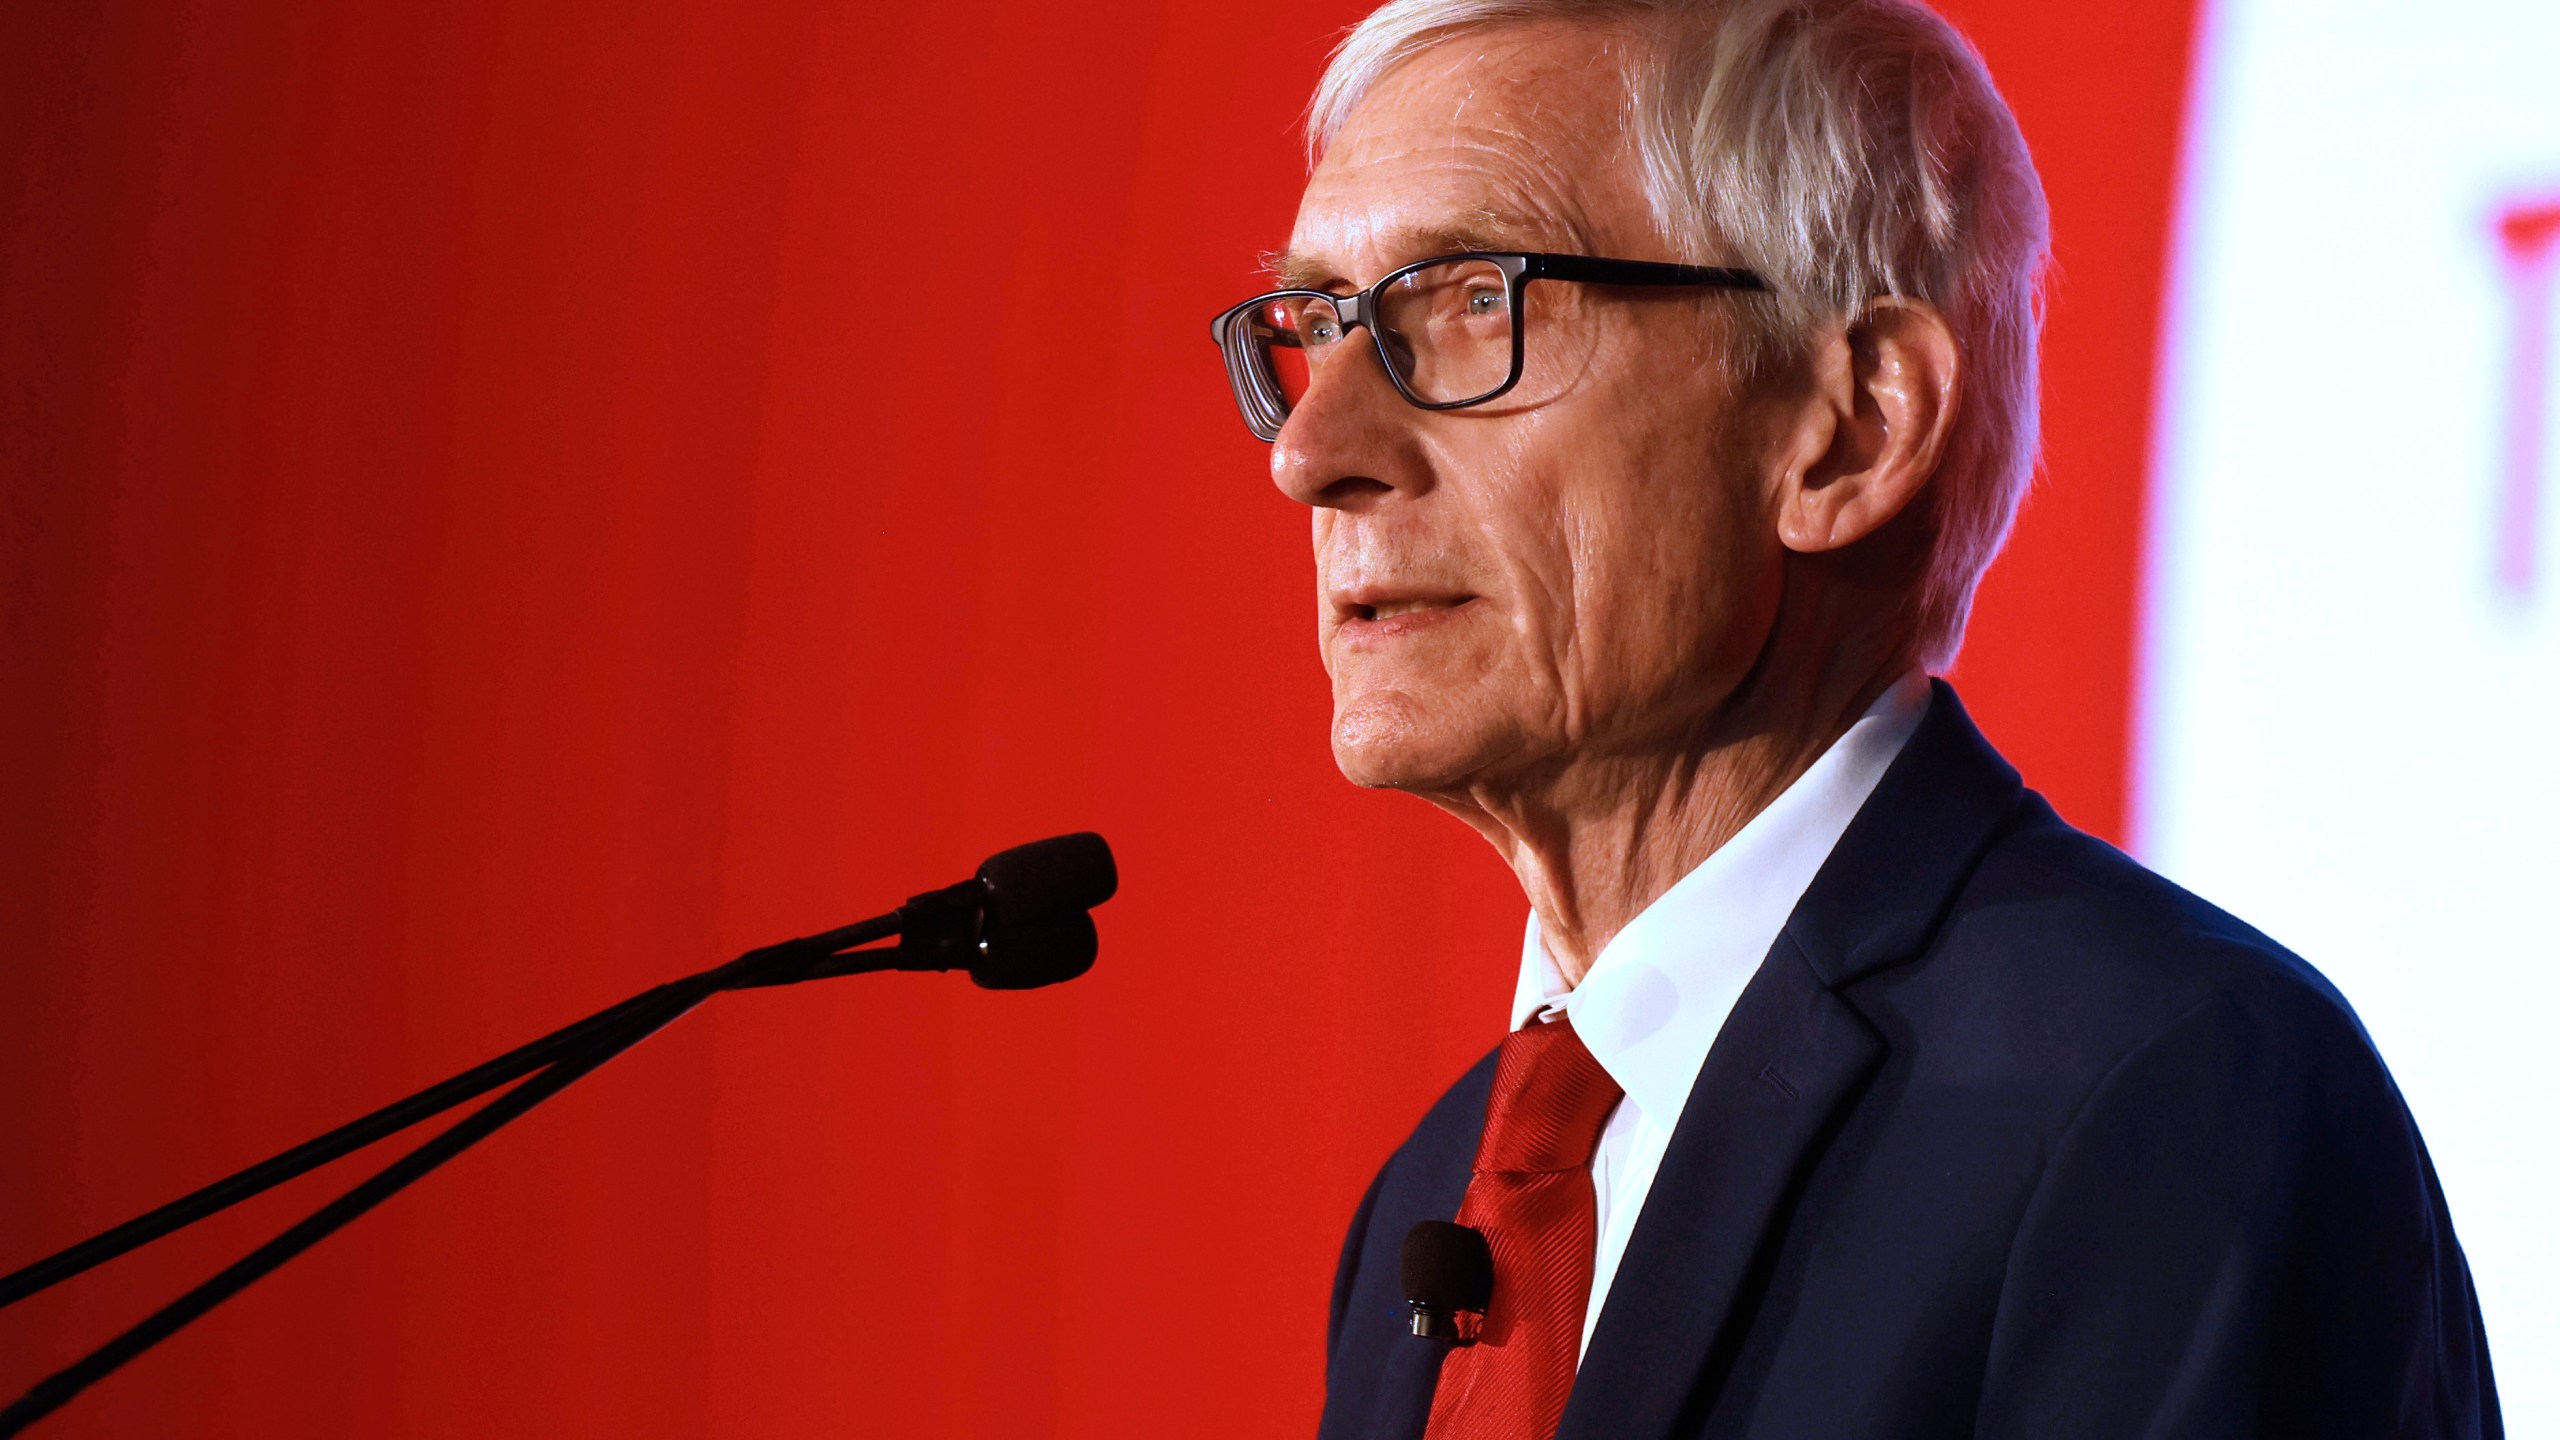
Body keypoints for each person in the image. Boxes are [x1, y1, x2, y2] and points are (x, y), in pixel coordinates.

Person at [1204, 0, 2502, 1436]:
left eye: (1469, 303)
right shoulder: (1444, 1184)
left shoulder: (2172, 1097)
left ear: (1851, 427)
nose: (1310, 452)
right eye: (1315, 326)